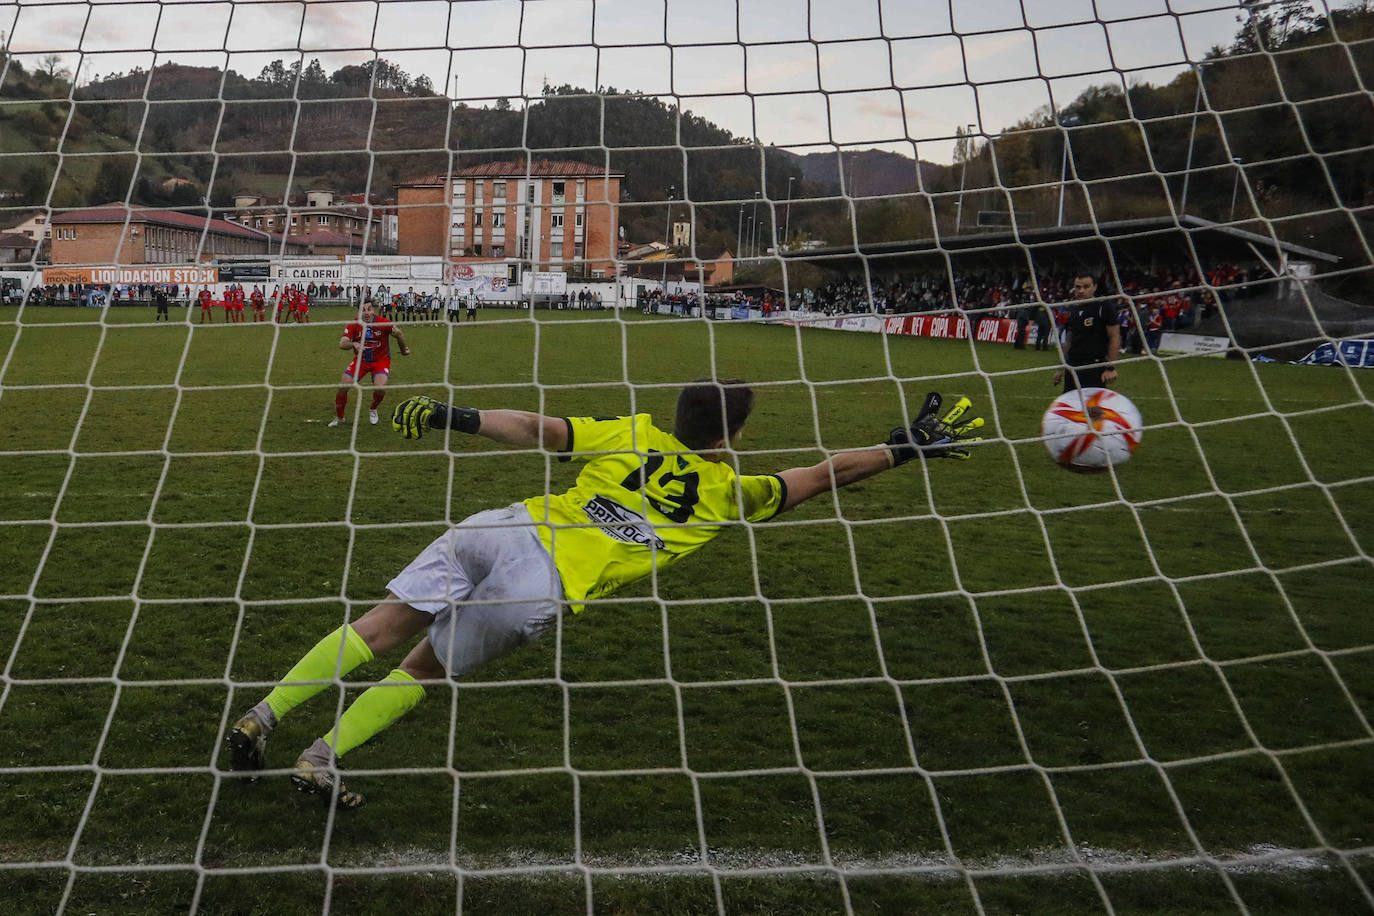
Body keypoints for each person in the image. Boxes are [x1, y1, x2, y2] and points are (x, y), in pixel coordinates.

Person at [225, 381, 984, 807]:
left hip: (502, 526)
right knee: (419, 668)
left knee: (377, 626)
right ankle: (320, 758)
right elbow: (823, 476)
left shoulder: (631, 431)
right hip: (545, 581)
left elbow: (532, 425)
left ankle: (261, 717)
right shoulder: (729, 492)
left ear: (678, 415)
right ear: (734, 435)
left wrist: (453, 416)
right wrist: (900, 449)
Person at [329, 299, 411, 428]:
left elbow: (399, 334)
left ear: (373, 310)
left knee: (380, 388)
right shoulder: (354, 324)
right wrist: (353, 343)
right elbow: (342, 343)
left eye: (369, 309)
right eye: (363, 310)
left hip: (380, 361)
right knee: (343, 386)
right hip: (361, 361)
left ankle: (373, 408)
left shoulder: (384, 323)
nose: (366, 313)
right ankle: (340, 418)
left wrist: (403, 350)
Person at [1052, 272, 1120, 392]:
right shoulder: (1073, 309)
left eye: (1086, 286)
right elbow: (1069, 340)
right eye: (1078, 287)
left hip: (1094, 366)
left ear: (1095, 287)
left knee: (1092, 408)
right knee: (1072, 407)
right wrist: (1062, 367)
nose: (1081, 291)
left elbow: (1115, 336)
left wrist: (1110, 367)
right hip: (1072, 367)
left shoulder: (1103, 307)